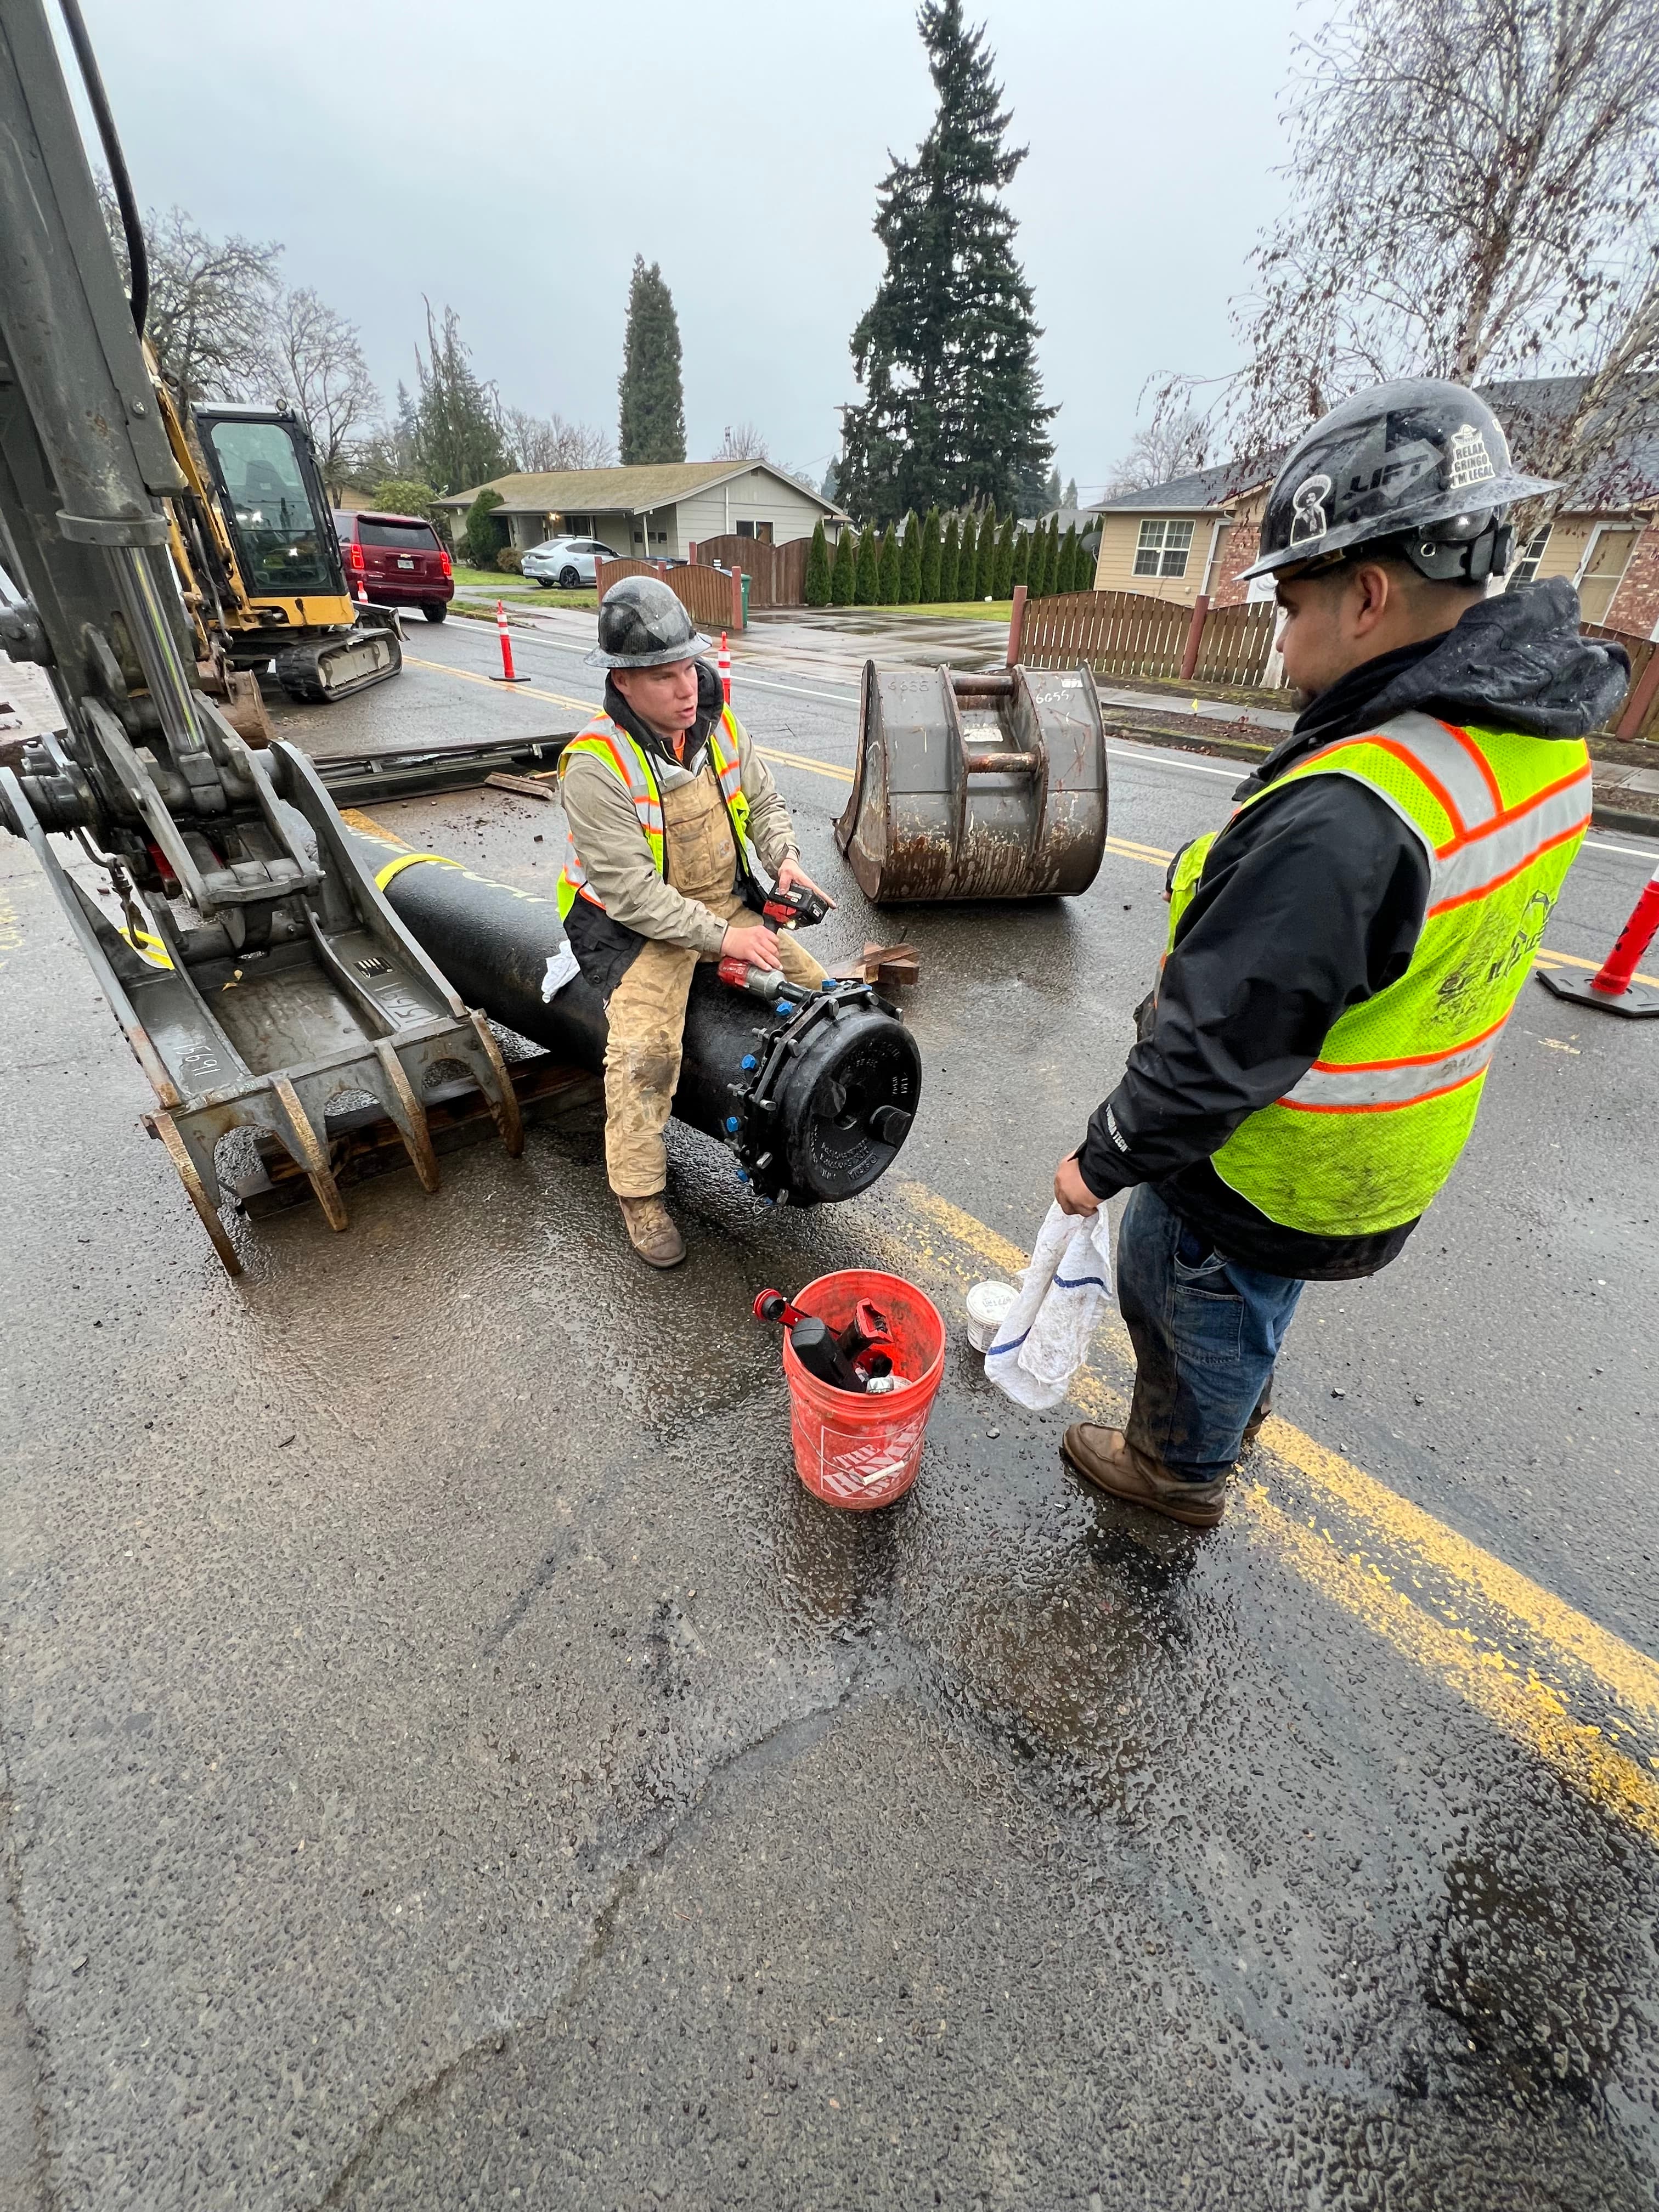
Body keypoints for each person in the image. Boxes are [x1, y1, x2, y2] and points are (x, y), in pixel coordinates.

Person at [1052, 379, 1628, 1528]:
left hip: (1267, 1163)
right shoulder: (1536, 742)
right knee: (1250, 1305)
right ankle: (1230, 1401)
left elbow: (1221, 1044)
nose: (1278, 635)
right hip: (1388, 1151)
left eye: (1288, 603)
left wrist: (1103, 1157)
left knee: (1182, 1288)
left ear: (1366, 595)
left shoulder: (1353, 810)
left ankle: (1179, 1470)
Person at [558, 576, 834, 1268]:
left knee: (818, 996)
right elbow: (633, 895)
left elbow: (765, 804)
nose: (687, 688)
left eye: (688, 666)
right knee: (646, 1053)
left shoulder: (718, 723)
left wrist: (785, 859)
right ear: (622, 682)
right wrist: (727, 939)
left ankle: (818, 1123)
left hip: (720, 901)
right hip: (635, 929)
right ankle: (640, 1195)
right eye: (663, 676)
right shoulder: (595, 765)